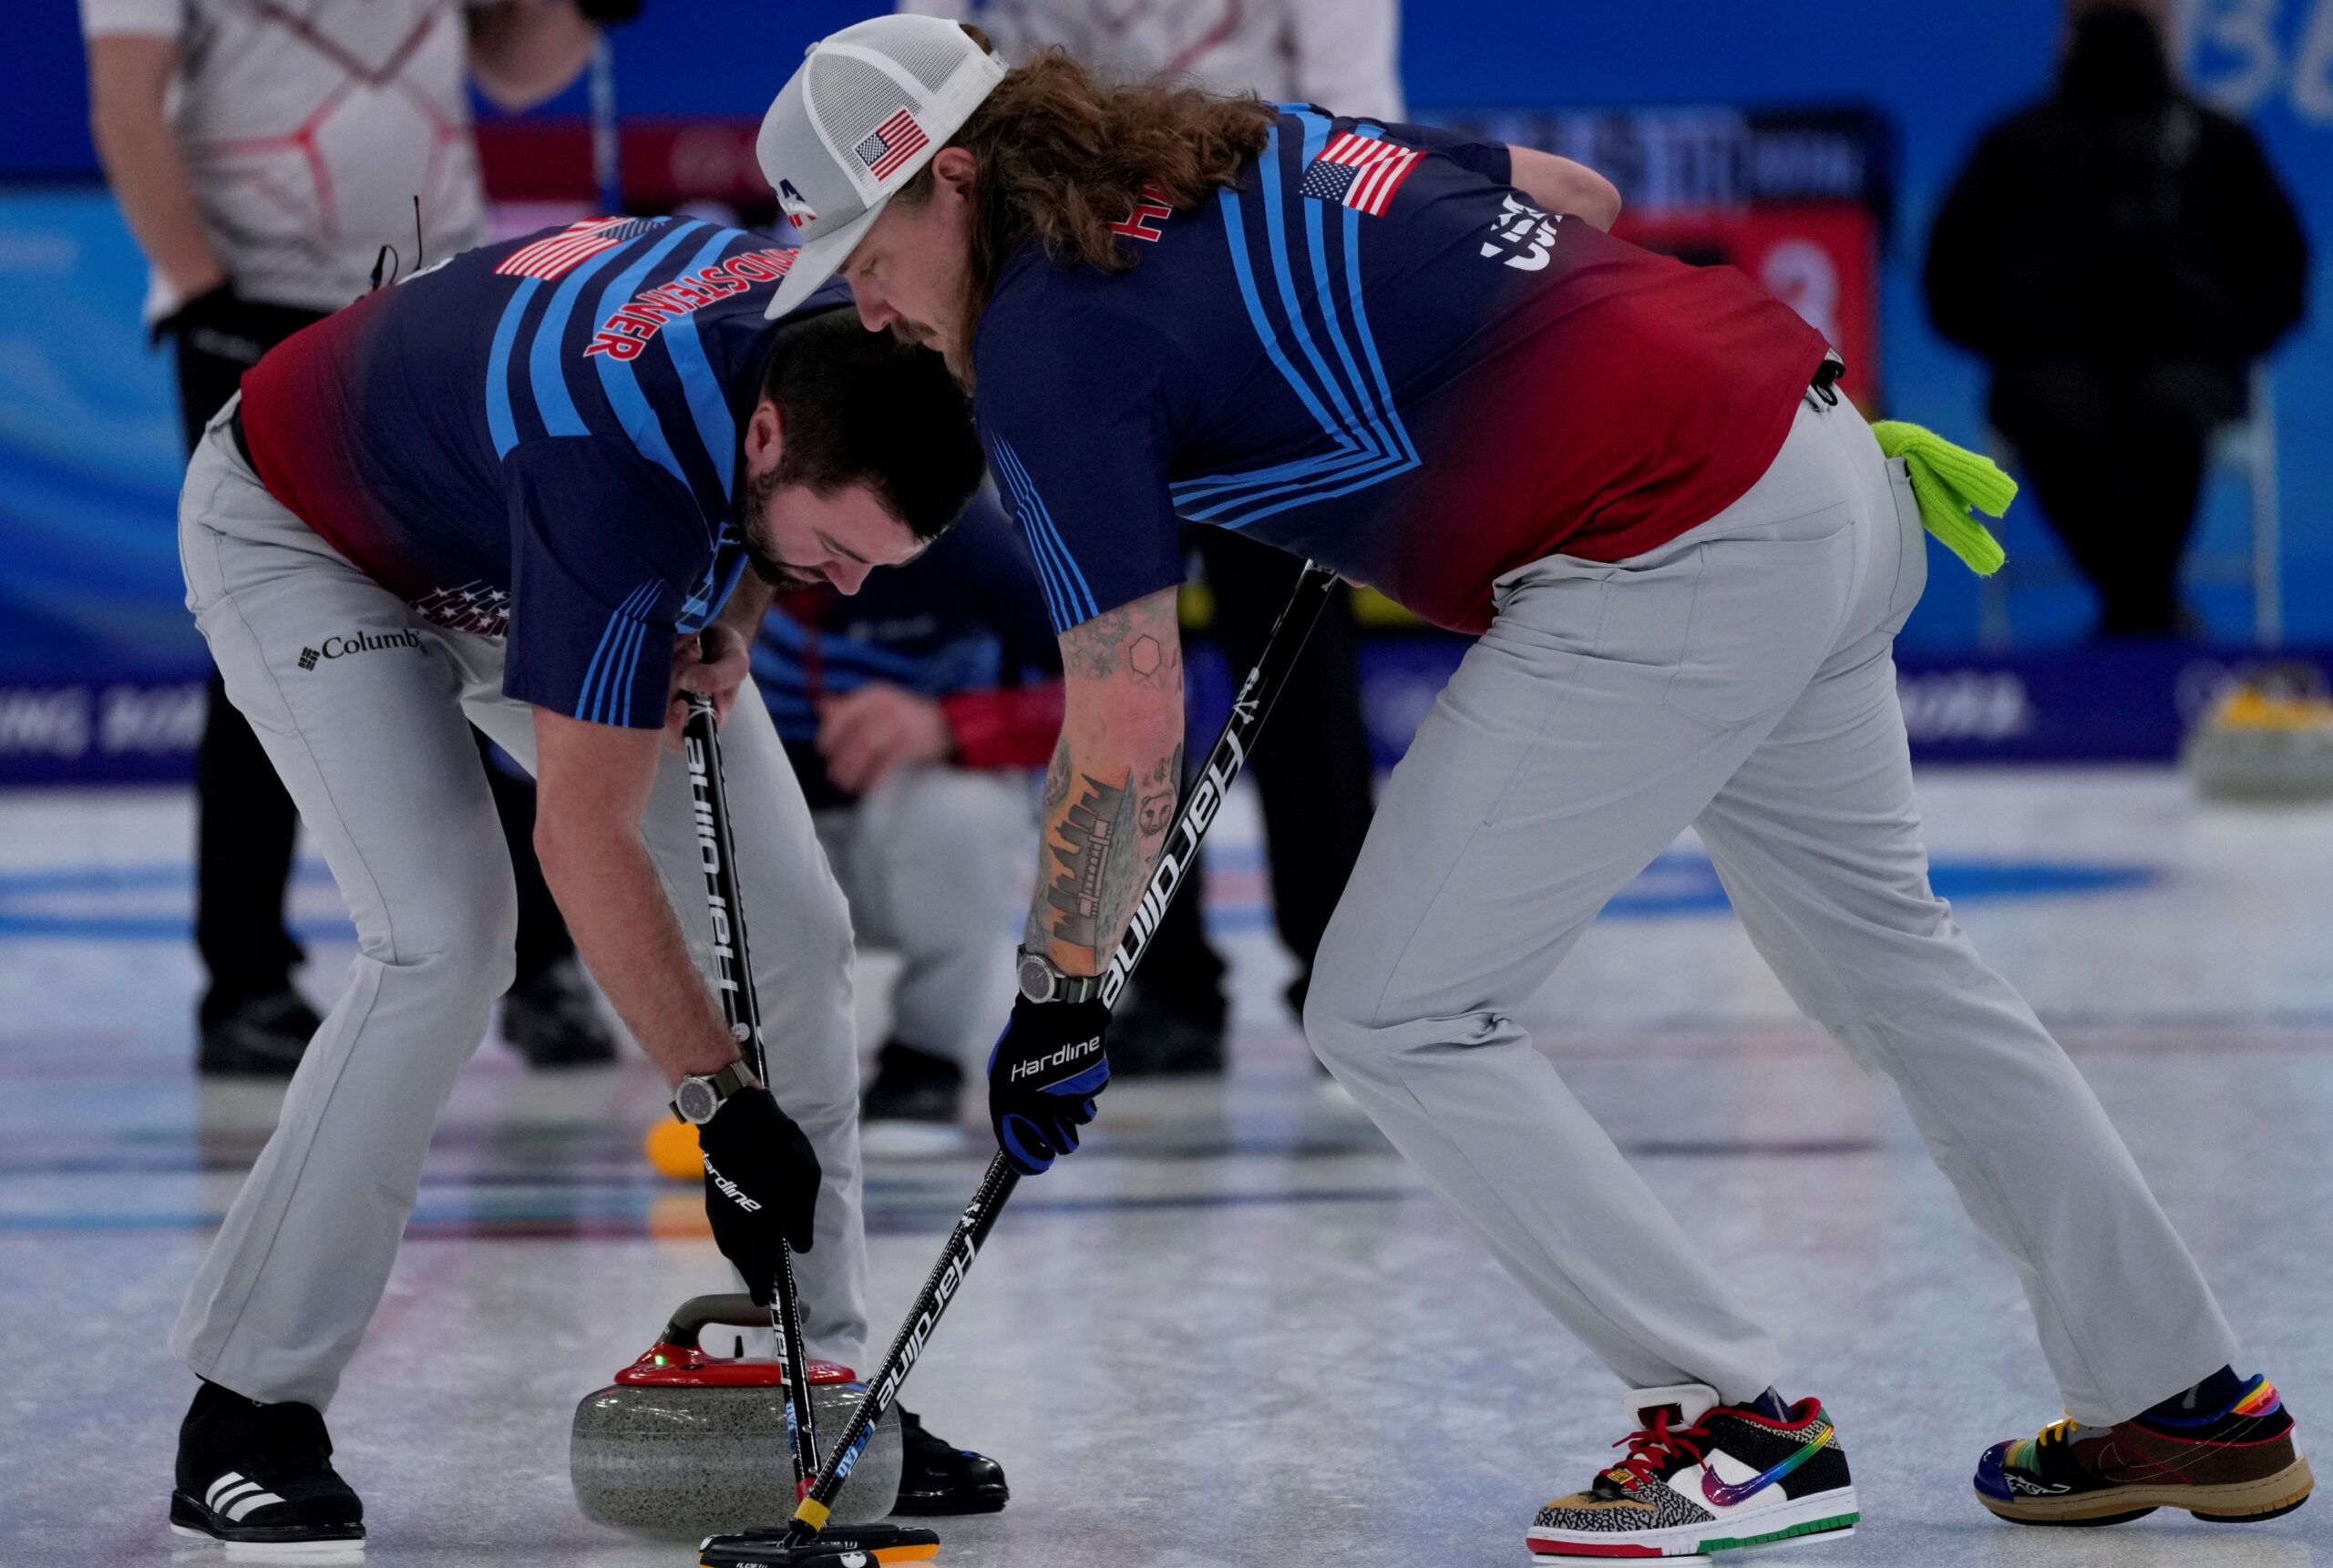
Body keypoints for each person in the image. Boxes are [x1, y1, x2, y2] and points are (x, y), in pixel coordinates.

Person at [753, 16, 2314, 1556]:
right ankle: (2181, 1396)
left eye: (866, 257)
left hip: (1675, 549)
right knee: (1900, 970)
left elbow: (1127, 705)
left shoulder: (1051, 335)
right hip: (1817, 460)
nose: (872, 310)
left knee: (1389, 1009)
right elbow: (1576, 200)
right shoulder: (1233, 141)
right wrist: (1366, 411)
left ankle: (1737, 1425)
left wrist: (1064, 989)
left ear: (951, 179)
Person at [166, 216, 1003, 1553]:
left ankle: (827, 1395)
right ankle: (245, 1407)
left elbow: (764, 520)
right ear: (770, 437)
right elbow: (581, 840)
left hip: (510, 526)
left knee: (793, 924)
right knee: (445, 939)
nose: (843, 587)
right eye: (837, 549)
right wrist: (721, 1105)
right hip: (312, 541)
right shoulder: (615, 462)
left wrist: (736, 608)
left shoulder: (837, 341)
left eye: (871, 567)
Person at [80, 0, 620, 1073]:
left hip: (435, 290)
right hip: (256, 300)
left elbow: (511, 70)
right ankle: (245, 981)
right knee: (270, 636)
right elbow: (124, 102)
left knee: (497, 609)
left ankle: (545, 959)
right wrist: (202, 293)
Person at [901, 0, 1390, 1073]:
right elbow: (913, 66)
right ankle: (1148, 981)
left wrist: (1302, 272)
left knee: (1299, 675)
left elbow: (1355, 126)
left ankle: (1343, 976)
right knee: (1113, 664)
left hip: (1257, 306)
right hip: (1068, 299)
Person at [1926, 0, 2307, 639]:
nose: (2118, 41)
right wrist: (2011, 339)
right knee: (2054, 413)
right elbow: (1951, 272)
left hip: (2184, 358)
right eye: (2093, 25)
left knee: (2171, 408)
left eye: (2141, 24)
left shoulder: (2216, 143)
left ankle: (2132, 613)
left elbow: (2279, 263)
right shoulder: (2016, 145)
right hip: (2048, 361)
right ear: (2063, 39)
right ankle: (2148, 613)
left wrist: (2230, 339)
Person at [755, 494, 1061, 1153]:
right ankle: (740, 1061)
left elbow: (1113, 703)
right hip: (765, 843)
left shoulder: (970, 540)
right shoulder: (701, 530)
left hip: (896, 838)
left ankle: (928, 1053)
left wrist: (952, 726)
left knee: (963, 813)